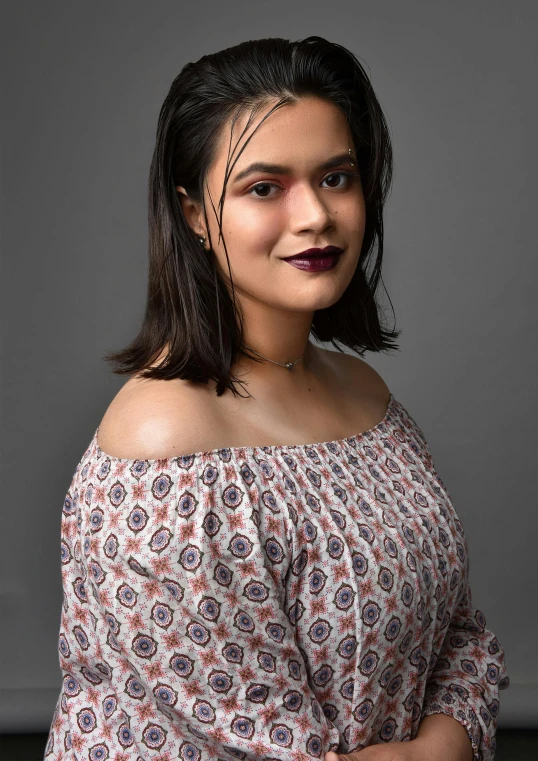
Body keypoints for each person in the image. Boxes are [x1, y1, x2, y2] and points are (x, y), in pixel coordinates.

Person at [44, 36, 509, 761]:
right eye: (265, 187)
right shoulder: (168, 443)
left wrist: (437, 748)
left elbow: (460, 636)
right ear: (194, 213)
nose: (315, 216)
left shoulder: (367, 396)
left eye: (336, 177)